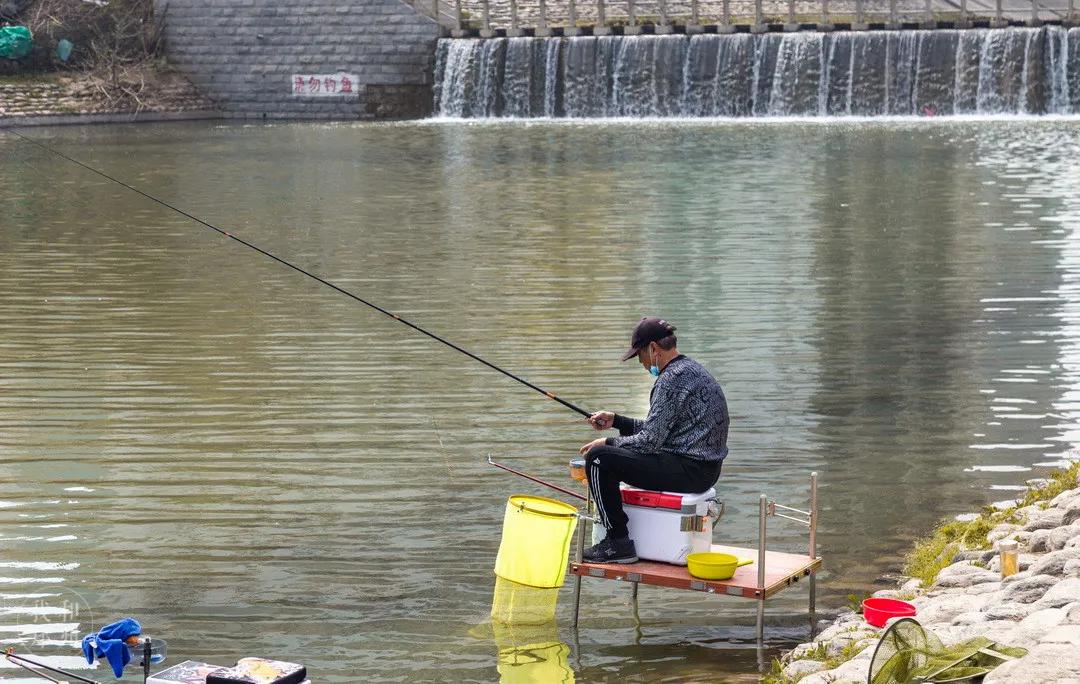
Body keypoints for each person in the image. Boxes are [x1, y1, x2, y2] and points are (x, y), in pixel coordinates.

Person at [578, 317, 729, 564]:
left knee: (598, 460)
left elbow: (649, 442)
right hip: (704, 470)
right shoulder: (691, 371)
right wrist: (617, 421)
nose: (642, 364)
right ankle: (618, 540)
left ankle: (617, 542)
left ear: (653, 348)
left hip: (689, 470)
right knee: (607, 453)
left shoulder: (670, 380)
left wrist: (608, 443)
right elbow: (660, 430)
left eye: (640, 356)